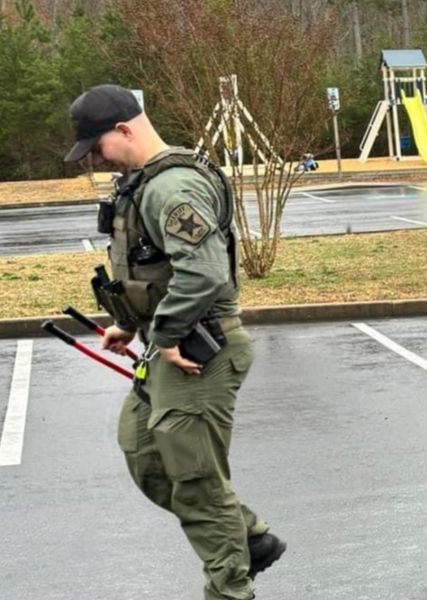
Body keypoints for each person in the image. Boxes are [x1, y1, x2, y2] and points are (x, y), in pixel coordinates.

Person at [64, 84, 285, 600]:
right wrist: (133, 323)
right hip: (172, 348)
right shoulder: (142, 183)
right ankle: (248, 537)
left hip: (198, 354)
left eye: (97, 148)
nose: (95, 160)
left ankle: (230, 589)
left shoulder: (172, 187)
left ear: (124, 129)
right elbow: (162, 274)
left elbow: (204, 274)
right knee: (143, 452)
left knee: (196, 481)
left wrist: (161, 334)